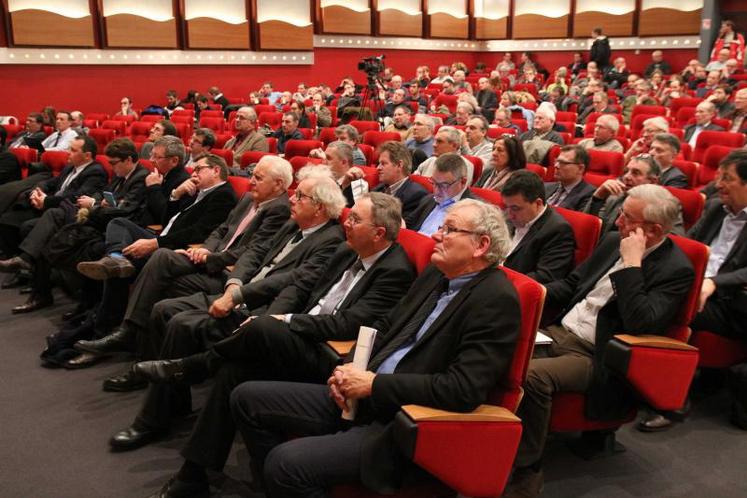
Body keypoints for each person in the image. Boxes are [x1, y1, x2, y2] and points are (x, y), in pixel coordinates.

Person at [113, 194, 416, 489]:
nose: (346, 222)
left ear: (378, 233)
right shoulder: (348, 250)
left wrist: (282, 321)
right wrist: (275, 316)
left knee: (261, 330)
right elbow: (300, 286)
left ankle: (195, 366)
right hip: (300, 336)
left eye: (355, 220)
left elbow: (346, 323)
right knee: (234, 371)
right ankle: (192, 475)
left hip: (327, 353)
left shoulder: (395, 270)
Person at [223, 198, 520, 498]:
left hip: (401, 421)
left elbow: (461, 389)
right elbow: (385, 327)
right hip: (363, 395)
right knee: (245, 399)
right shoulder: (437, 274)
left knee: (285, 465)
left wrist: (374, 385)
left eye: (450, 229)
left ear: (481, 245)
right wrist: (349, 367)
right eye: (441, 226)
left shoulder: (496, 299)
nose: (436, 235)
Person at [507, 184, 695, 498]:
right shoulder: (612, 241)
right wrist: (520, 292)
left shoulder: (676, 269)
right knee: (497, 349)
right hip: (561, 331)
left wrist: (632, 265)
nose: (618, 221)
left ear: (654, 230)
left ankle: (528, 468)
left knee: (533, 377)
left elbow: (641, 322)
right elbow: (572, 284)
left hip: (599, 355)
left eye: (627, 217)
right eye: (621, 212)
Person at [73, 155, 293, 366]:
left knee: (159, 279)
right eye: (252, 175)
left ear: (278, 184)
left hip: (227, 271)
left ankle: (134, 341)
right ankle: (130, 334)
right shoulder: (248, 198)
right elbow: (222, 229)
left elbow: (252, 251)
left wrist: (211, 256)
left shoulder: (279, 209)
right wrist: (205, 249)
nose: (251, 181)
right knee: (160, 258)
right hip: (207, 256)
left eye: (258, 178)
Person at [637, 150, 747, 433]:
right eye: (719, 175)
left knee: (673, 307)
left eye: (727, 178)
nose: (718, 183)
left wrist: (714, 282)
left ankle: (672, 401)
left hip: (733, 302)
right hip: (697, 287)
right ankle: (635, 376)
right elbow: (689, 244)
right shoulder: (714, 208)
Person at [1, 138, 150, 314]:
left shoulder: (140, 177)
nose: (111, 167)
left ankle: (31, 269)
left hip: (112, 226)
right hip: (97, 217)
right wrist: (95, 200)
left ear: (129, 159)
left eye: (114, 163)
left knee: (53, 220)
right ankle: (39, 285)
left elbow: (125, 209)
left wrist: (93, 203)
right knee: (47, 230)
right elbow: (103, 193)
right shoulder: (120, 176)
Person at [0, 135, 107, 258]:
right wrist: (38, 191)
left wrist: (46, 200)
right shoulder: (70, 166)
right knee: (7, 219)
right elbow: (51, 182)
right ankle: (12, 258)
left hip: (63, 211)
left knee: (27, 227)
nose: (68, 152)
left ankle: (27, 265)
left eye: (73, 150)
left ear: (87, 155)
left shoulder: (96, 172)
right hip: (47, 205)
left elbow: (76, 197)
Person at [502, 170, 575, 283]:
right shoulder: (511, 214)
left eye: (515, 208)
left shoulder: (558, 230)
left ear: (538, 203)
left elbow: (545, 276)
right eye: (507, 206)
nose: (509, 214)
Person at [585, 154, 682, 236]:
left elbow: (674, 240)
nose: (626, 177)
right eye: (626, 171)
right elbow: (589, 228)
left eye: (635, 173)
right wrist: (598, 197)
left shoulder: (665, 205)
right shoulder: (615, 196)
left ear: (653, 181)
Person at [407, 153, 476, 235]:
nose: (436, 190)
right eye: (433, 182)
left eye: (444, 185)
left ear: (463, 182)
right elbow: (408, 224)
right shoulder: (429, 199)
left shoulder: (474, 211)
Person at [372, 141, 428, 218]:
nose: (378, 168)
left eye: (383, 163)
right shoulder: (378, 189)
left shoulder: (416, 195)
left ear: (399, 165)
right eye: (379, 163)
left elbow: (401, 227)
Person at [544, 145, 596, 211]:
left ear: (580, 168)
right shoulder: (545, 187)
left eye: (563, 163)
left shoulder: (589, 195)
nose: (556, 165)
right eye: (557, 161)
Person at [224, 107, 268, 171]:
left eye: (242, 118)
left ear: (252, 123)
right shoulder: (230, 142)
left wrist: (230, 160)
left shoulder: (259, 140)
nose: (237, 120)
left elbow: (254, 170)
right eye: (236, 117)